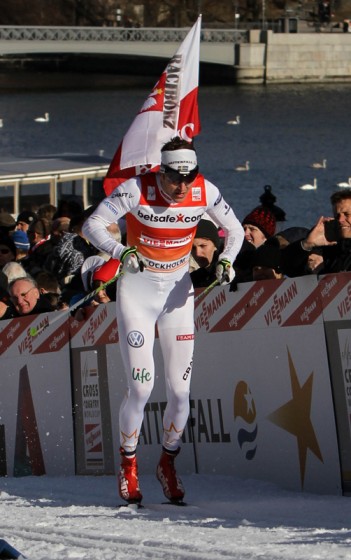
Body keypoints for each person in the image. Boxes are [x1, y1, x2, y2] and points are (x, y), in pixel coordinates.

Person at [82, 136, 244, 505]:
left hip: (177, 296)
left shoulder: (204, 191)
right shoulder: (135, 189)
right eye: (174, 178)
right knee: (141, 388)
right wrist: (120, 251)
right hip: (138, 294)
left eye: (189, 178)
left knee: (180, 392)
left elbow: (234, 231)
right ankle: (128, 465)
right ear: (161, 171)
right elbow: (92, 226)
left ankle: (167, 463)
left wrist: (226, 260)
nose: (181, 187)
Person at [281, 189, 351, 276]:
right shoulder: (330, 248)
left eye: (347, 214)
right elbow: (287, 268)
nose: (340, 220)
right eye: (337, 216)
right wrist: (306, 244)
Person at [190, 219, 222, 288]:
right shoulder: (191, 280)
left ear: (215, 246)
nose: (197, 253)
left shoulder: (232, 272)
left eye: (202, 246)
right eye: (193, 248)